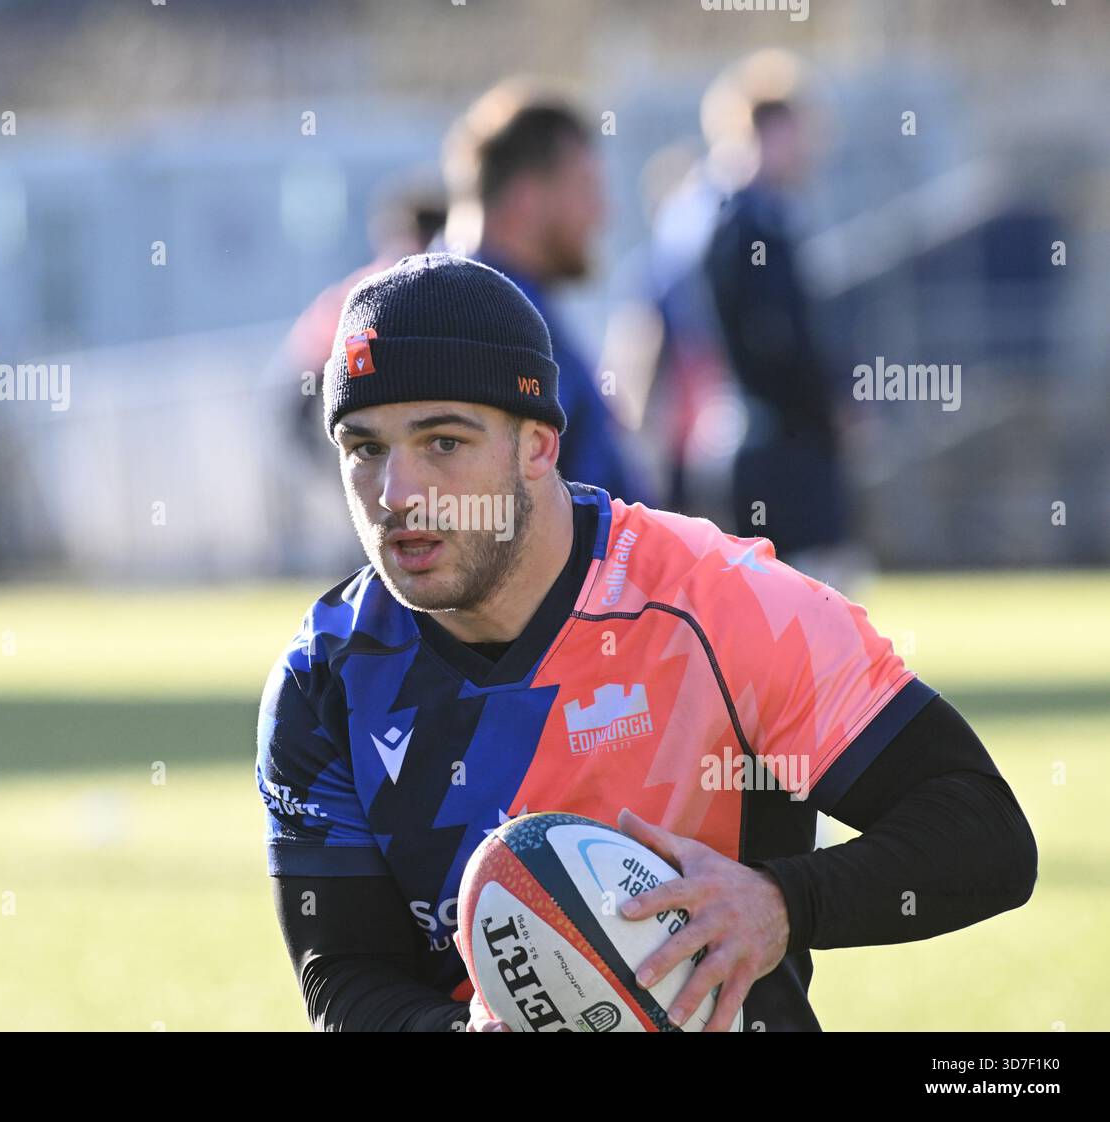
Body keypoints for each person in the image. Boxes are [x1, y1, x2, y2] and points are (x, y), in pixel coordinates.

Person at [257, 253, 1036, 1032]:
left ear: (537, 446)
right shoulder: (323, 681)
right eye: (365, 449)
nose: (397, 494)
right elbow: (345, 974)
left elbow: (984, 834)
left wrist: (780, 902)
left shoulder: (723, 602)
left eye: (444, 443)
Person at [442, 82, 650, 505]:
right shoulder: (473, 314)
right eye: (586, 188)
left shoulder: (513, 298)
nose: (602, 212)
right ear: (527, 198)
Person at [704, 94, 856, 586]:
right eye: (794, 135)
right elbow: (774, 343)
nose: (806, 150)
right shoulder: (748, 226)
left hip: (782, 435)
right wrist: (827, 409)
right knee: (807, 596)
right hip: (780, 442)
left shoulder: (762, 220)